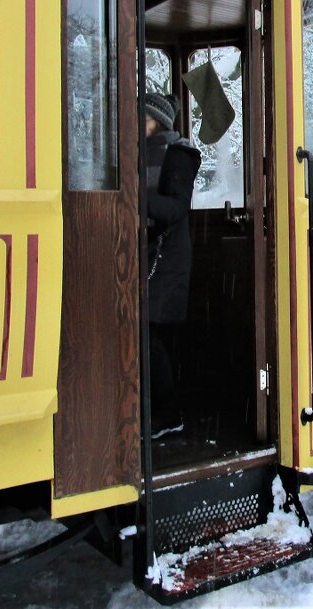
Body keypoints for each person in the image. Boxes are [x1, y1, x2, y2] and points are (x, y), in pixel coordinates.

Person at [143, 93, 201, 438]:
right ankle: (159, 410)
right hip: (150, 254)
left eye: (143, 118)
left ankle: (168, 413)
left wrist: (135, 196)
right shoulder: (144, 151)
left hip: (167, 258)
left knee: (150, 335)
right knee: (147, 335)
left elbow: (176, 208)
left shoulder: (178, 155)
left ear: (158, 121)